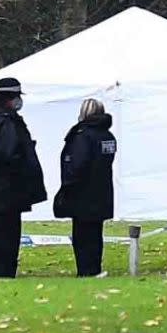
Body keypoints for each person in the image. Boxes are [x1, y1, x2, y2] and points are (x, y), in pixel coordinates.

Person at [0, 77, 46, 278]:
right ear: (10, 98)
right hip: (8, 189)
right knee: (9, 233)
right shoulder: (6, 121)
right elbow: (10, 153)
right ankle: (4, 270)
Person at [53, 98, 117, 277]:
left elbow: (77, 164)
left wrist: (68, 184)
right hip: (102, 191)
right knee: (96, 234)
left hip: (82, 193)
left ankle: (86, 270)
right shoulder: (107, 136)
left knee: (82, 235)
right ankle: (94, 267)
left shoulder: (83, 135)